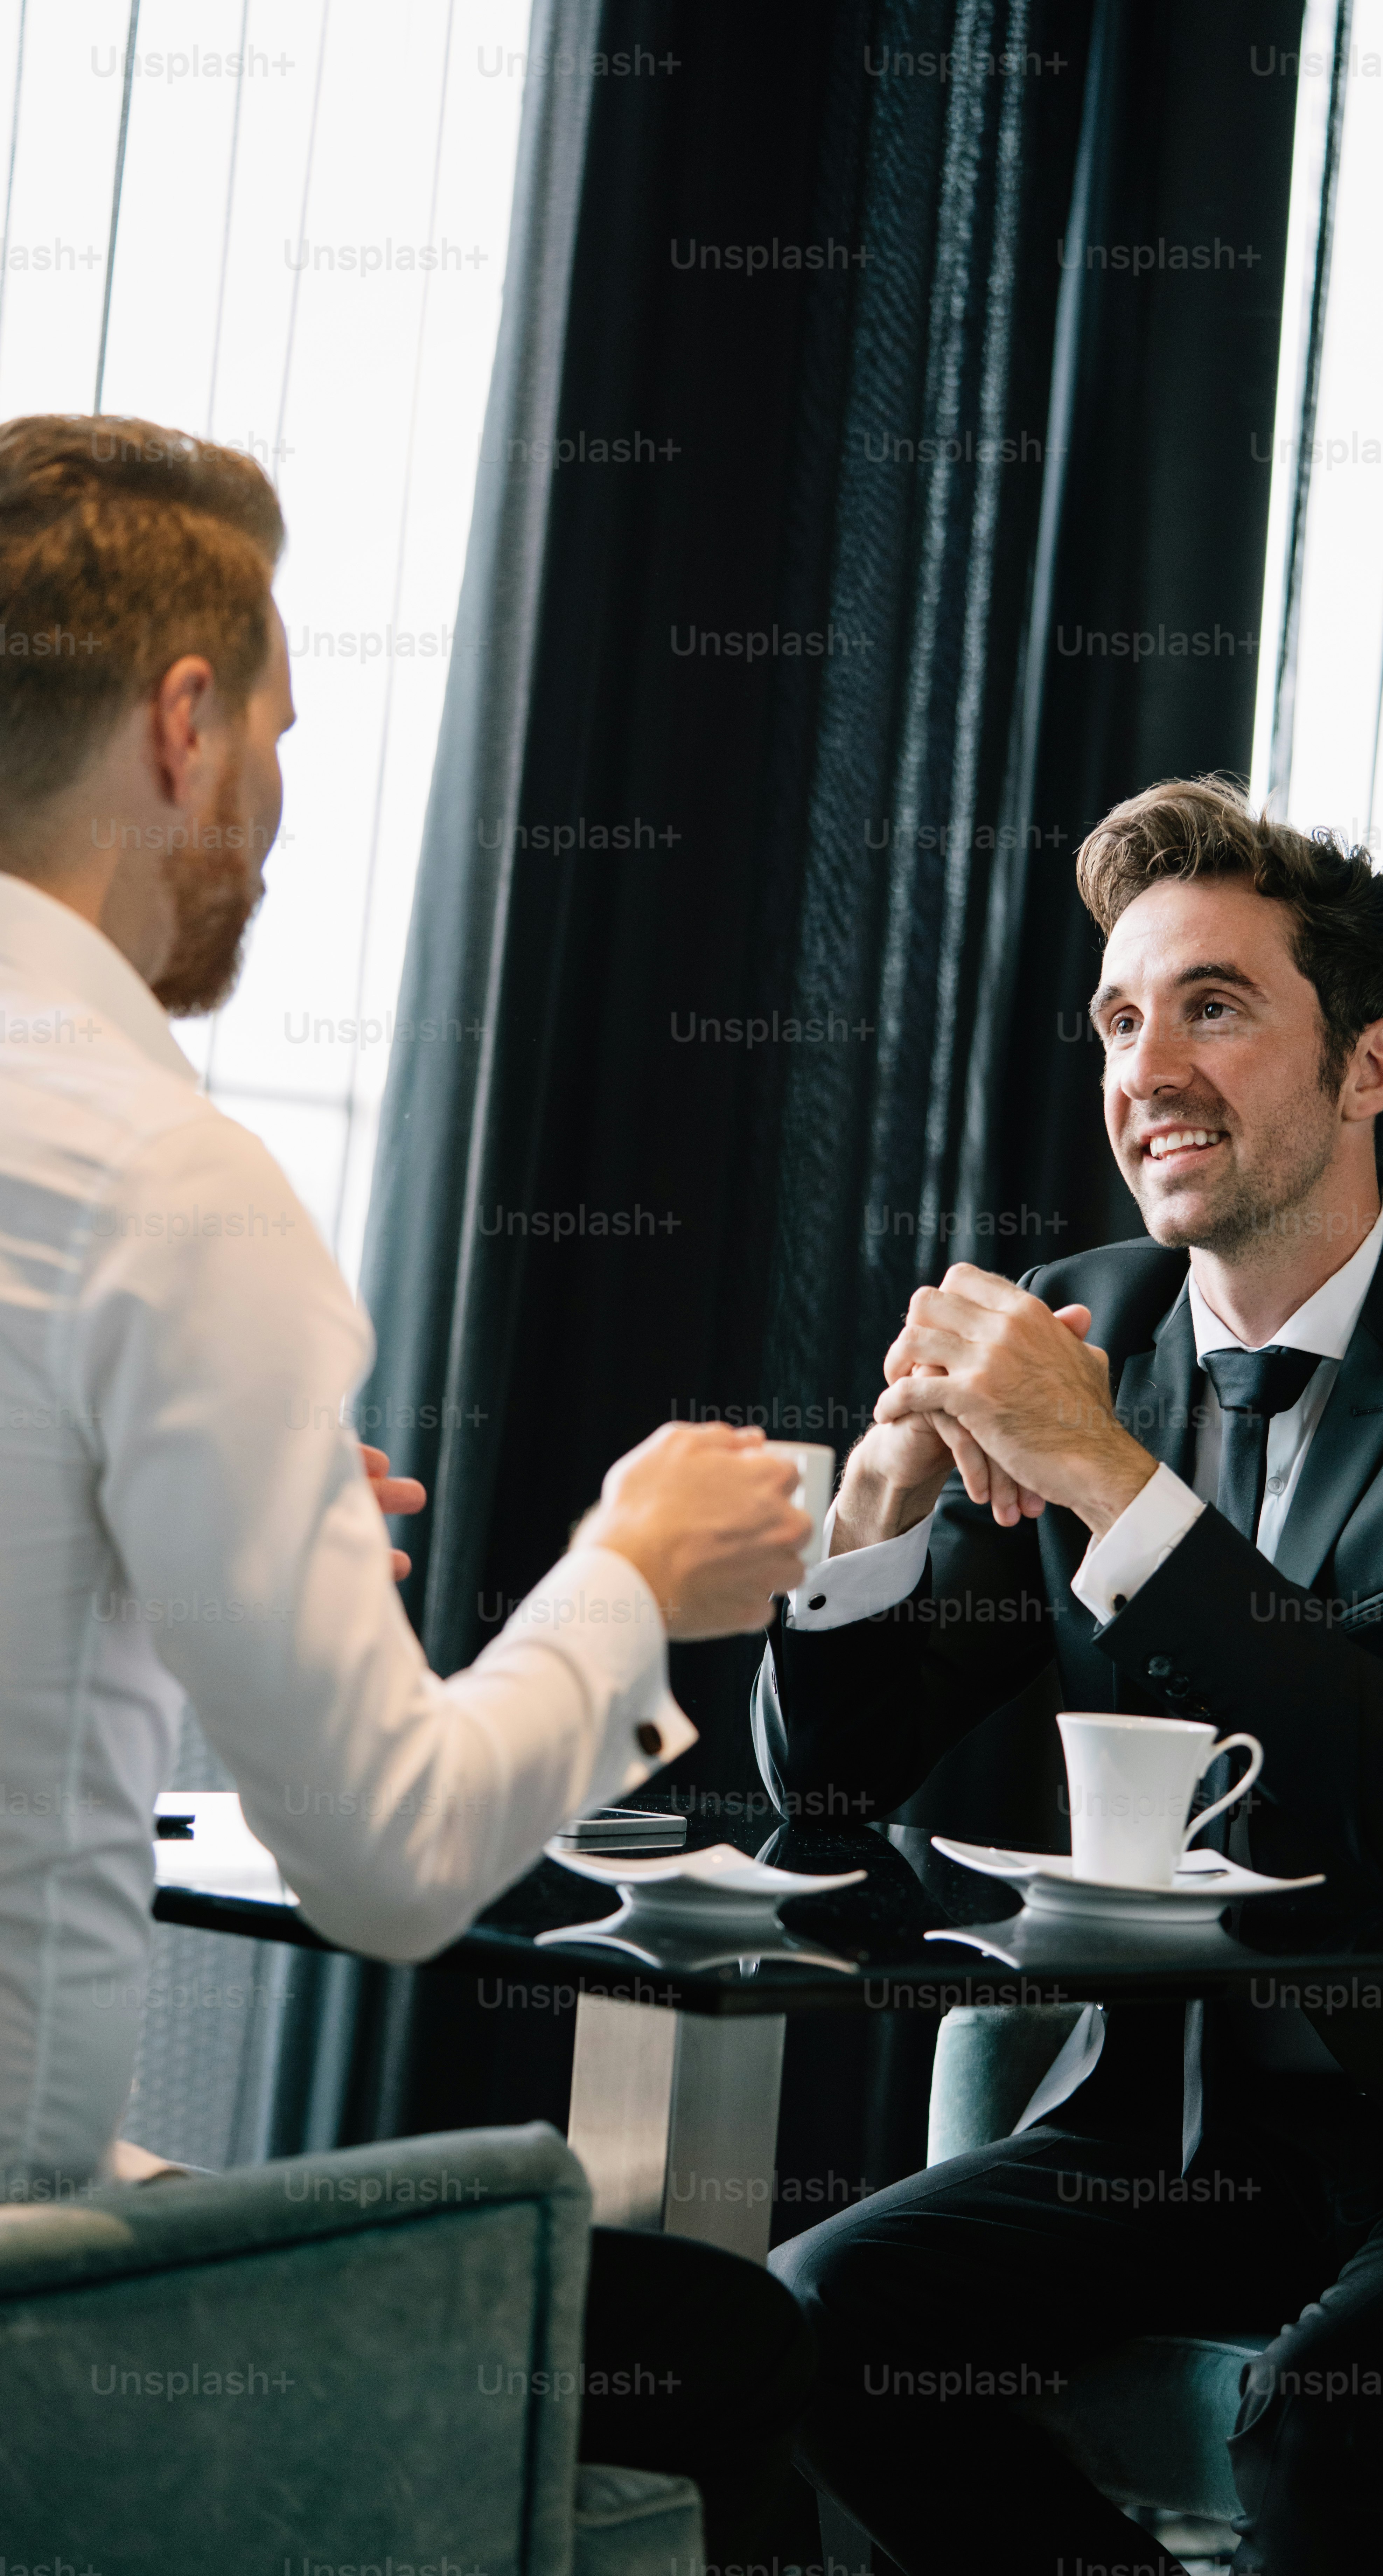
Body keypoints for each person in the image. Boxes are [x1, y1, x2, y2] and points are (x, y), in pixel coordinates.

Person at [0, 413, 812, 2558]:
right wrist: (626, 1578)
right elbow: (381, 1861)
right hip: (25, 2294)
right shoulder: (163, 1178)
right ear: (181, 728)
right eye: (275, 728)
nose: (272, 801)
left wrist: (164, 1533)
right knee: (719, 2350)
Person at [757, 777, 1383, 2575]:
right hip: (1183, 2116)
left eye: (1214, 1005)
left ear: (1371, 1066)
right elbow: (827, 1798)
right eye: (1123, 1016)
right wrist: (874, 1516)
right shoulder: (1090, 1324)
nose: (1148, 1068)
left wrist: (1113, 1476)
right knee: (820, 2323)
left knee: (1320, 2425)